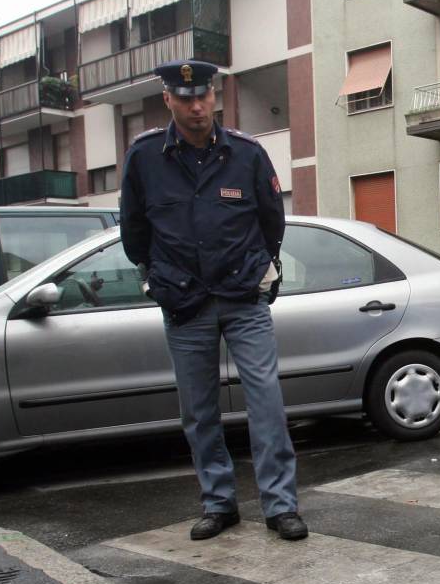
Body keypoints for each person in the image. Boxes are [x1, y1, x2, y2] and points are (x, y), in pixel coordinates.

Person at [120, 60, 307, 542]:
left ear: (215, 96)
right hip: (184, 305)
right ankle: (219, 503)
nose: (197, 105)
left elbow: (272, 224)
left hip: (244, 299)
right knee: (199, 411)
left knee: (266, 402)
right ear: (168, 100)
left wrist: (255, 272)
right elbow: (134, 233)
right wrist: (157, 276)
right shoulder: (144, 157)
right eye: (185, 98)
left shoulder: (246, 154)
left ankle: (280, 505)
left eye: (203, 95)